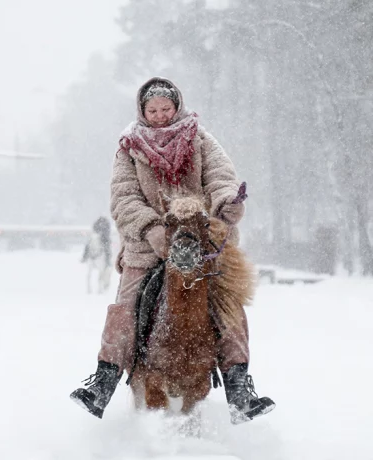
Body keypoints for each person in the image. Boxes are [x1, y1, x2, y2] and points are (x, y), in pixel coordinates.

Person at [70, 77, 275, 423]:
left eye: (166, 109)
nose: (161, 115)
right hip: (148, 246)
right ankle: (103, 380)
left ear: (177, 107)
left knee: (230, 305)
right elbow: (124, 198)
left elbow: (221, 177)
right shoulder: (129, 149)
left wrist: (227, 204)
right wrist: (151, 230)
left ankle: (239, 388)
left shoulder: (200, 139)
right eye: (153, 110)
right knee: (126, 305)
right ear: (142, 111)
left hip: (203, 241)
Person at [81, 217, 113, 294]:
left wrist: (103, 236)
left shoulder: (106, 224)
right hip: (96, 236)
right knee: (88, 245)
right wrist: (97, 234)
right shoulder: (98, 223)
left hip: (104, 239)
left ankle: (107, 260)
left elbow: (107, 232)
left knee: (107, 248)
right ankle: (84, 256)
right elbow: (94, 230)